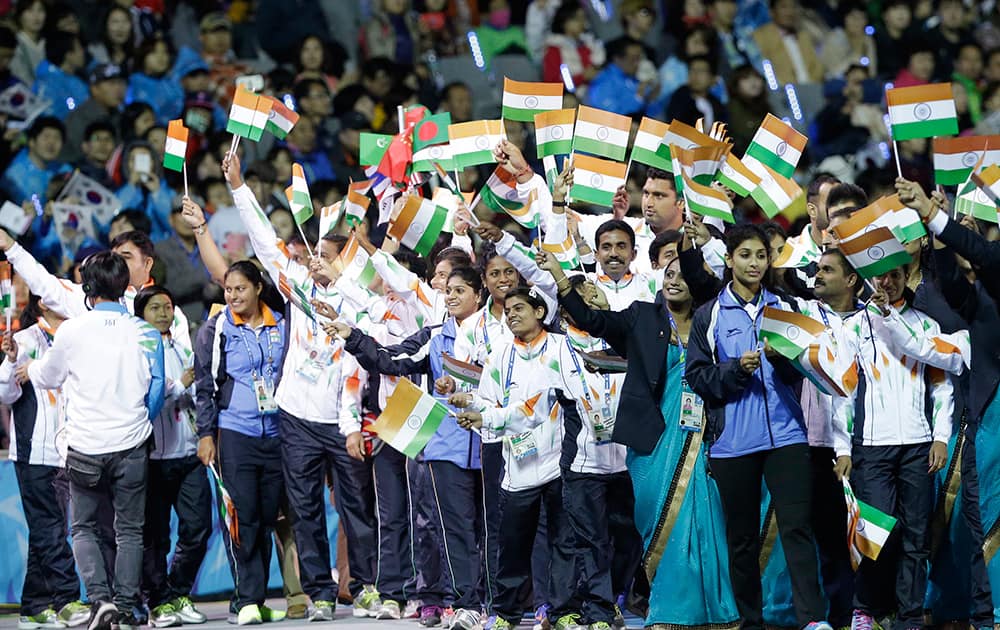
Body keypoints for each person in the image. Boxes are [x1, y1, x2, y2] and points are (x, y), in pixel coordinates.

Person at [539, 246, 740, 629]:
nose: (673, 280)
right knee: (657, 523)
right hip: (652, 442)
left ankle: (713, 611)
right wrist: (560, 278)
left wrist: (696, 248)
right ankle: (669, 610)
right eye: (668, 274)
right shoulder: (642, 317)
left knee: (706, 521)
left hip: (706, 436)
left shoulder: (711, 320)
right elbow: (590, 319)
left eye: (682, 274)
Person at [223, 153, 383, 621]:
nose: (314, 262)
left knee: (355, 505)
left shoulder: (359, 301)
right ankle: (318, 593)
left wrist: (351, 422)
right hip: (294, 416)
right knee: (305, 508)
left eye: (326, 258)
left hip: (341, 417)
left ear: (345, 264)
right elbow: (265, 242)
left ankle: (368, 585)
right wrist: (238, 187)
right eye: (312, 255)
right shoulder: (297, 288)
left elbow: (363, 357)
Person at [685, 224, 831, 630]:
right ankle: (751, 621)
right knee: (742, 539)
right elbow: (697, 376)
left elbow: (804, 371)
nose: (754, 263)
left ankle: (812, 620)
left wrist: (782, 357)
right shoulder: (709, 314)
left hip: (787, 436)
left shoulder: (785, 306)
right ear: (729, 259)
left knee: (798, 528)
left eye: (761, 256)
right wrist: (735, 370)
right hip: (733, 442)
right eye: (745, 255)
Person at [328, 266, 487, 630]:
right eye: (447, 291)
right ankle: (466, 604)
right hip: (447, 445)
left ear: (478, 295)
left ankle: (501, 604)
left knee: (492, 527)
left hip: (493, 441)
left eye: (459, 290)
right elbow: (390, 359)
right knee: (457, 528)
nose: (450, 297)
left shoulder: (496, 334)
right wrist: (354, 337)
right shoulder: (434, 336)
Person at [20, 251, 165, 630]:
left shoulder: (72, 330)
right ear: (125, 287)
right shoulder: (146, 332)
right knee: (130, 530)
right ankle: (127, 605)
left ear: (88, 287)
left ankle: (100, 600)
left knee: (83, 527)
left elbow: (49, 377)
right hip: (132, 444)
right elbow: (157, 389)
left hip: (85, 447)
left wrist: (31, 367)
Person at [831, 262, 955, 630]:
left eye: (895, 275)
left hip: (918, 445)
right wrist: (842, 448)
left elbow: (942, 387)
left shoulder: (925, 326)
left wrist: (941, 437)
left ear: (906, 278)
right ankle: (866, 608)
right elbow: (842, 392)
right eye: (881, 275)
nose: (887, 282)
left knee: (917, 536)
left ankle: (910, 616)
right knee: (875, 535)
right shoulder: (853, 327)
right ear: (871, 278)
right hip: (871, 446)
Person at [450, 287, 579, 630]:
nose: (512, 315)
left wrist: (487, 416)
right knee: (512, 545)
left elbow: (549, 402)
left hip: (558, 463)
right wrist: (471, 404)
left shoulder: (562, 349)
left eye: (520, 308)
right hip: (518, 466)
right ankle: (506, 614)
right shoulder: (500, 355)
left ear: (540, 312)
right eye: (508, 311)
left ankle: (564, 611)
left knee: (563, 542)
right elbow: (488, 402)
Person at [193, 261, 287, 626]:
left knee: (265, 519)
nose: (232, 296)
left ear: (258, 288)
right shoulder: (216, 329)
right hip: (235, 433)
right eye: (228, 290)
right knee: (241, 516)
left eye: (240, 289)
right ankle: (245, 599)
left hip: (276, 434)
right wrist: (206, 434)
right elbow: (205, 386)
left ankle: (258, 598)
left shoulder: (280, 323)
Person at [1, 294, 91, 630]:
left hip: (69, 449)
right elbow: (4, 395)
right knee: (50, 530)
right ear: (42, 305)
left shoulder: (77, 337)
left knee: (47, 531)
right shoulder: (24, 340)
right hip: (34, 451)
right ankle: (67, 599)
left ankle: (35, 606)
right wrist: (10, 363)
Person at [134, 286, 209, 628]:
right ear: (140, 314)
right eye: (155, 308)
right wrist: (180, 385)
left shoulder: (182, 346)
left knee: (198, 528)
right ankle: (158, 601)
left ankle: (177, 592)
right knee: (156, 536)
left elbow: (196, 392)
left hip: (188, 452)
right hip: (151, 456)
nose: (164, 313)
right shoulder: (135, 352)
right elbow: (142, 400)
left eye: (167, 306)